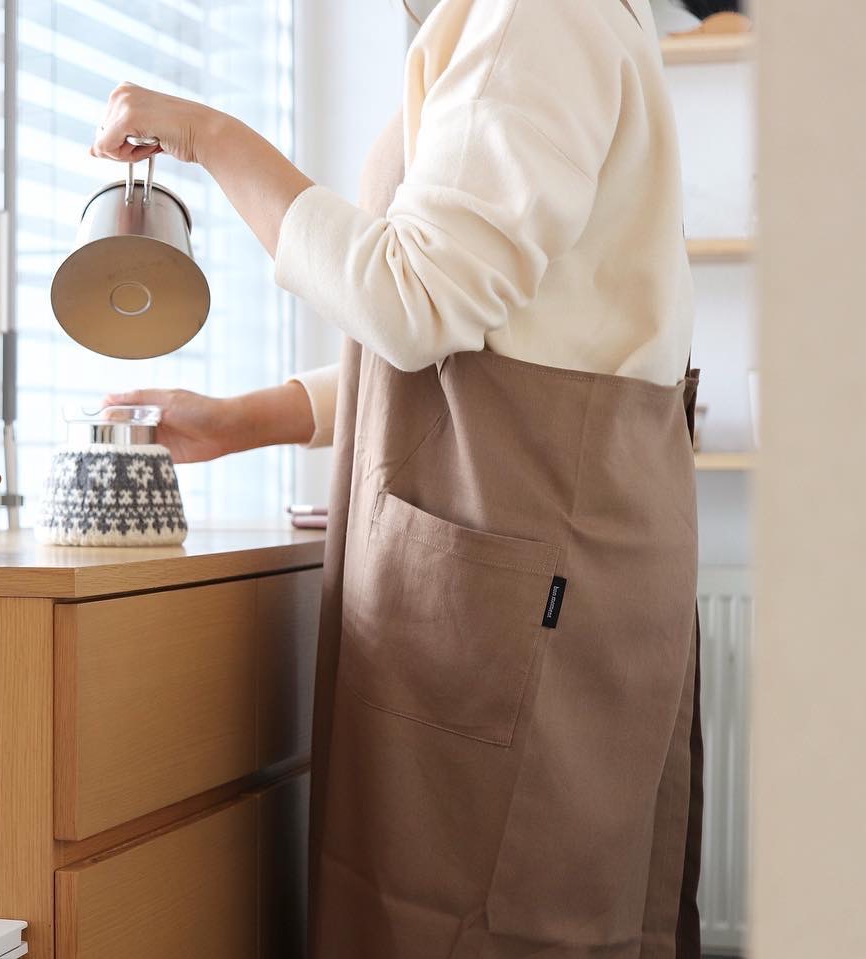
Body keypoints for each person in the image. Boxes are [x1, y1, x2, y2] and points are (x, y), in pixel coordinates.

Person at [91, 0, 703, 956]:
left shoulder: (534, 19)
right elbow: (479, 345)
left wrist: (210, 135)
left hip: (529, 565)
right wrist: (243, 421)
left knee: (499, 915)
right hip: (537, 550)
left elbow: (412, 301)